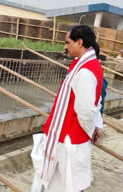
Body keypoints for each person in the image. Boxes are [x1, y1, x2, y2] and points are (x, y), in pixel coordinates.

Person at [31, 25, 103, 192]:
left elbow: (86, 110)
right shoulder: (88, 65)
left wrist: (91, 129)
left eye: (67, 42)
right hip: (68, 136)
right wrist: (96, 125)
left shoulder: (85, 72)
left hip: (68, 139)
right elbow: (96, 102)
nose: (64, 46)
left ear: (79, 42)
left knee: (62, 184)